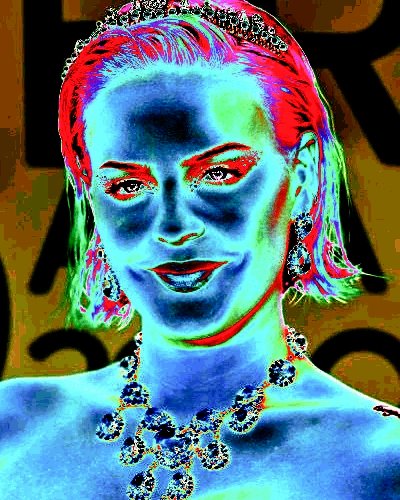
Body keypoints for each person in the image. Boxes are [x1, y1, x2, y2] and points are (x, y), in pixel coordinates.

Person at [1, 0, 399, 498]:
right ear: (92, 199)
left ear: (302, 177)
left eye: (218, 174)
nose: (173, 225)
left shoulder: (385, 464)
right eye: (128, 186)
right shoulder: (10, 430)